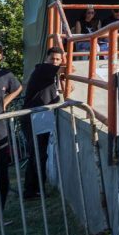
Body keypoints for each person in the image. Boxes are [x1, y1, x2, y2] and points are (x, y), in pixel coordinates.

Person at [22, 47, 69, 199]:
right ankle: (35, 190)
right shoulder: (43, 69)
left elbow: (68, 88)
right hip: (33, 117)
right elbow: (69, 68)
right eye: (52, 59)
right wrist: (65, 61)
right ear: (46, 59)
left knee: (38, 154)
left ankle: (32, 189)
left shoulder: (51, 75)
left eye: (57, 59)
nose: (54, 62)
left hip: (41, 116)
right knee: (38, 154)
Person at [0, 37, 22, 225]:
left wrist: (5, 103)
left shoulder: (5, 75)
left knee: (1, 175)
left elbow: (18, 88)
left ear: (0, 55)